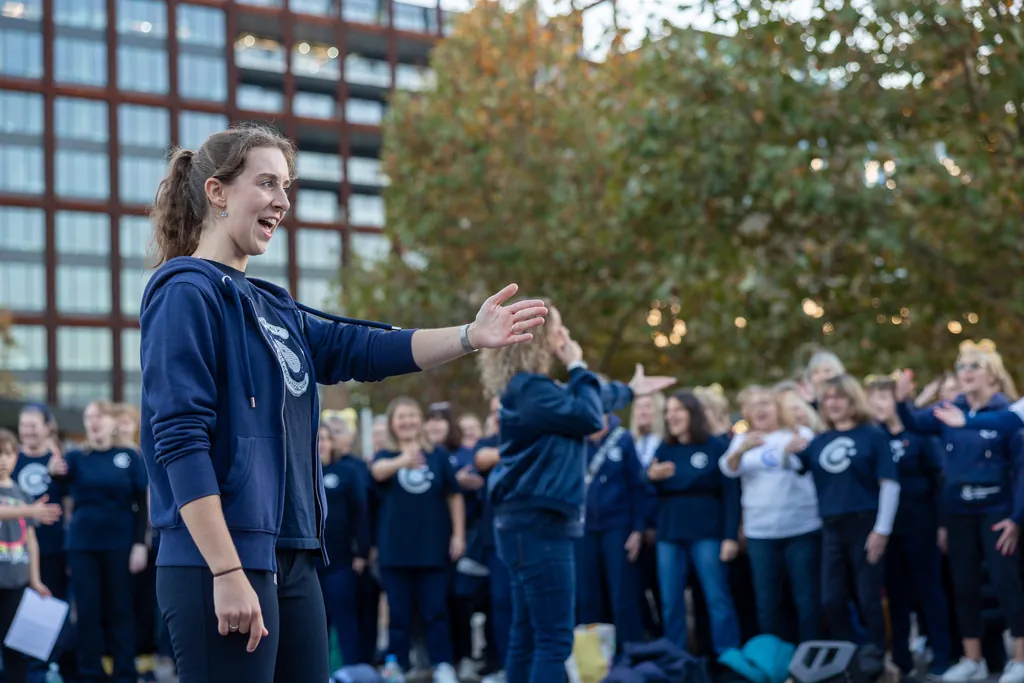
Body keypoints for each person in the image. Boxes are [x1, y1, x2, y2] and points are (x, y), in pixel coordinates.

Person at [138, 123, 548, 683]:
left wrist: (469, 336)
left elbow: (364, 346)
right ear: (217, 191)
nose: (282, 201)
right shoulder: (184, 291)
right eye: (266, 183)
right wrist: (227, 568)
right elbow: (179, 440)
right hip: (221, 559)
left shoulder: (273, 307)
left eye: (286, 186)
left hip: (293, 554)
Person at [478, 303, 674, 683]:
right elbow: (588, 416)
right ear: (541, 336)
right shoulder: (532, 389)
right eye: (560, 326)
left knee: (528, 631)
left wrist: (629, 390)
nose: (565, 335)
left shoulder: (531, 390)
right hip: (540, 526)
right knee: (552, 638)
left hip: (525, 524)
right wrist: (578, 364)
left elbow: (588, 402)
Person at [905, 339, 1024, 683]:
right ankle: (973, 660)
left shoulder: (1003, 411)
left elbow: (1007, 426)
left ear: (994, 376)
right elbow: (912, 421)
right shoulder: (960, 412)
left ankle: (1019, 657)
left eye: (975, 366)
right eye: (962, 367)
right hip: (960, 512)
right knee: (965, 584)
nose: (966, 372)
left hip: (998, 509)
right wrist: (908, 398)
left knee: (1007, 582)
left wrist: (1016, 517)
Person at [784, 374, 900, 651]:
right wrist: (786, 451)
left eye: (840, 397)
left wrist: (882, 529)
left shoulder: (873, 435)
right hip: (831, 527)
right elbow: (795, 465)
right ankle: (848, 659)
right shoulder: (821, 440)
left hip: (865, 524)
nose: (833, 403)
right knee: (831, 599)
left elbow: (890, 484)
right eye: (828, 398)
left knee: (869, 598)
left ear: (853, 399)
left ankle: (879, 660)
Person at [49, 401, 150, 683]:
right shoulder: (76, 458)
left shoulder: (129, 457)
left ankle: (124, 673)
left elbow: (141, 504)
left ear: (111, 422)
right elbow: (57, 492)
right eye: (88, 417)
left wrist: (139, 544)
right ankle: (89, 673)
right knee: (88, 611)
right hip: (82, 544)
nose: (94, 422)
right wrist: (52, 473)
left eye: (99, 417)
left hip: (120, 543)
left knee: (121, 610)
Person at [371, 397, 464, 683]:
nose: (408, 421)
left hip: (433, 548)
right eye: (401, 417)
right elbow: (377, 472)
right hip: (395, 551)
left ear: (420, 420)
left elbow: (454, 494)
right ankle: (396, 665)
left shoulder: (437, 455)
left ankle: (443, 665)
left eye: (412, 415)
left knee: (436, 611)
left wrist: (459, 535)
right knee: (397, 615)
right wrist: (402, 460)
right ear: (392, 423)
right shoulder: (384, 455)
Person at [720, 385, 822, 644]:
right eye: (753, 406)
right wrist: (742, 449)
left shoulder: (800, 433)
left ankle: (809, 661)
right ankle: (775, 663)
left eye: (765, 402)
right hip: (761, 533)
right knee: (767, 601)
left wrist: (788, 451)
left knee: (806, 599)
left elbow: (805, 465)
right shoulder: (743, 440)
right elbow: (728, 468)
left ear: (778, 407)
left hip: (802, 529)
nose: (760, 409)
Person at [864, 375, 951, 678]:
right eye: (872, 398)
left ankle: (943, 656)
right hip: (887, 531)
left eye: (884, 397)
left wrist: (942, 525)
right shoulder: (871, 439)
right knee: (896, 597)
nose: (878, 404)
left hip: (921, 524)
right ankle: (901, 661)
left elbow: (939, 481)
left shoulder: (918, 436)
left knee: (930, 591)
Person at [648, 391, 741, 654]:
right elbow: (650, 494)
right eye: (668, 411)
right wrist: (650, 478)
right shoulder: (664, 449)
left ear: (693, 413)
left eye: (678, 410)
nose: (671, 416)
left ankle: (728, 658)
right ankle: (676, 659)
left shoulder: (715, 447)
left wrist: (730, 536)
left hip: (707, 533)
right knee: (670, 601)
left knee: (717, 598)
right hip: (670, 534)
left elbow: (730, 495)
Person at [0, 428, 55, 683]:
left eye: (9, 454)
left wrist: (35, 579)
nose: (3, 460)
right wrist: (30, 510)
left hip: (17, 580)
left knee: (15, 649)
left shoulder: (21, 493)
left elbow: (31, 540)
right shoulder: (27, 504)